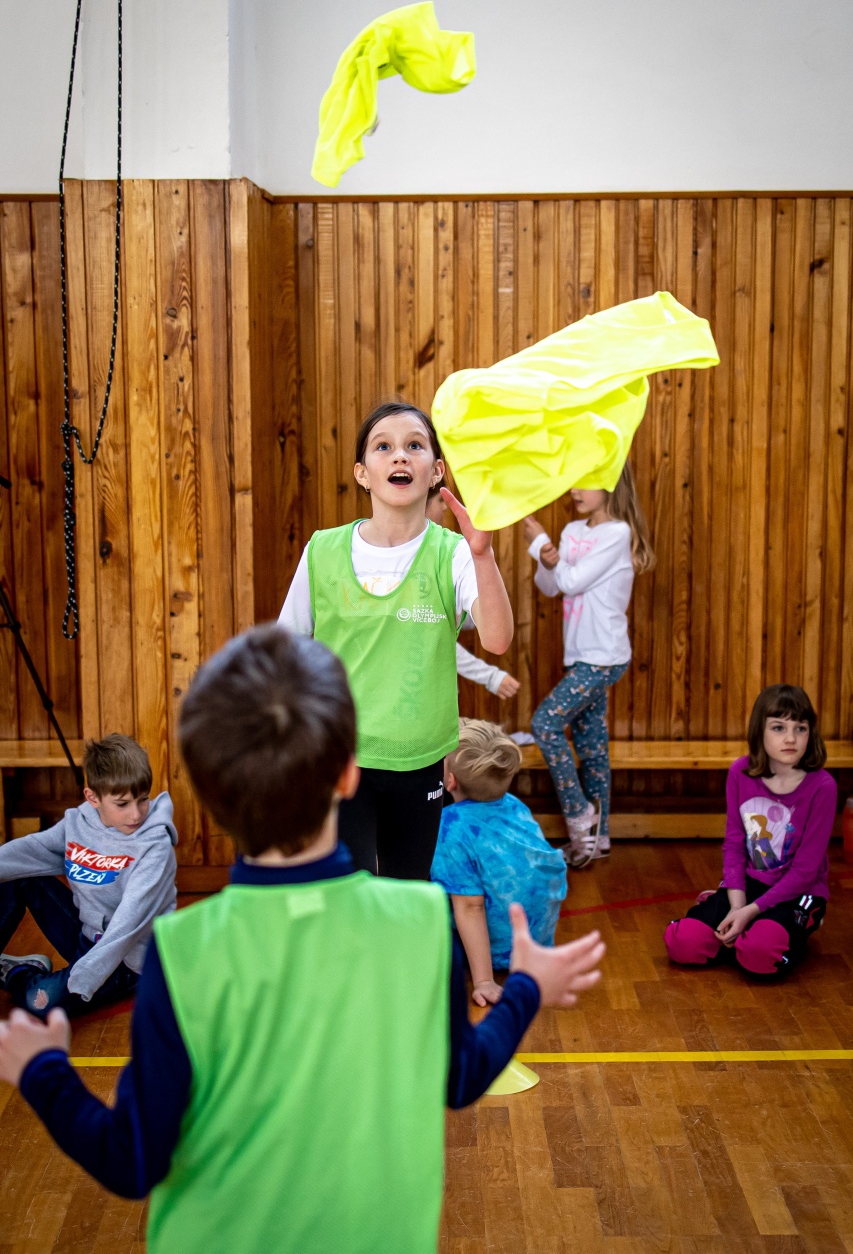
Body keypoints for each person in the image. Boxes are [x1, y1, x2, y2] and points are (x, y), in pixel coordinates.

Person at [0, 627, 606, 1254]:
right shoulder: (424, 923)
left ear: (209, 796)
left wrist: (43, 1072)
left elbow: (131, 1159)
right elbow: (462, 1076)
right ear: (348, 775)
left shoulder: (181, 953)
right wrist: (526, 987)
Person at [279, 398, 514, 880]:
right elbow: (284, 653)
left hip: (419, 760)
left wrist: (483, 555)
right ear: (363, 473)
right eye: (383, 447)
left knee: (407, 891)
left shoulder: (455, 553)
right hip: (341, 759)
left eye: (415, 446)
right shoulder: (323, 550)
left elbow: (497, 640)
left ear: (436, 471)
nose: (400, 455)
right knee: (351, 893)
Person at [522, 464, 654, 868]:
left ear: (611, 484)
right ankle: (599, 840)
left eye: (586, 481)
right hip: (581, 655)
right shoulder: (573, 531)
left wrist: (541, 541)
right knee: (591, 744)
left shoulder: (617, 533)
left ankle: (580, 813)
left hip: (603, 656)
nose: (575, 489)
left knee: (545, 724)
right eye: (574, 481)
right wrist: (546, 557)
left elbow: (572, 581)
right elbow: (551, 585)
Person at [664, 684, 836, 977]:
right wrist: (737, 906)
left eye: (801, 728)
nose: (791, 738)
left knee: (760, 956)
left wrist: (750, 912)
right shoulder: (740, 772)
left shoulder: (822, 786)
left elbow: (806, 871)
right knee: (682, 943)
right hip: (749, 884)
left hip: (799, 891)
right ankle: (744, 930)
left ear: (811, 733)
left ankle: (789, 925)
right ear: (760, 731)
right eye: (779, 728)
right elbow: (734, 844)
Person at [0, 734, 176, 1018]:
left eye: (143, 799)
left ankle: (18, 971)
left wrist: (81, 978)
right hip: (86, 935)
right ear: (93, 797)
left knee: (39, 1001)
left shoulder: (155, 846)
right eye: (122, 804)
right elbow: (32, 851)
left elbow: (128, 923)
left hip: (128, 962)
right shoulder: (80, 822)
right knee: (17, 873)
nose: (136, 814)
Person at [431, 719, 568, 1007]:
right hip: (534, 944)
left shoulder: (451, 825)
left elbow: (470, 906)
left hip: (499, 952)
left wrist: (483, 980)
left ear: (450, 781)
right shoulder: (515, 805)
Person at [425, 491, 520, 700]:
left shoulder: (455, 551)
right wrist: (490, 677)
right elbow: (431, 638)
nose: (444, 507)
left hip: (436, 701)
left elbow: (455, 623)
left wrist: (483, 557)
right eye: (440, 500)